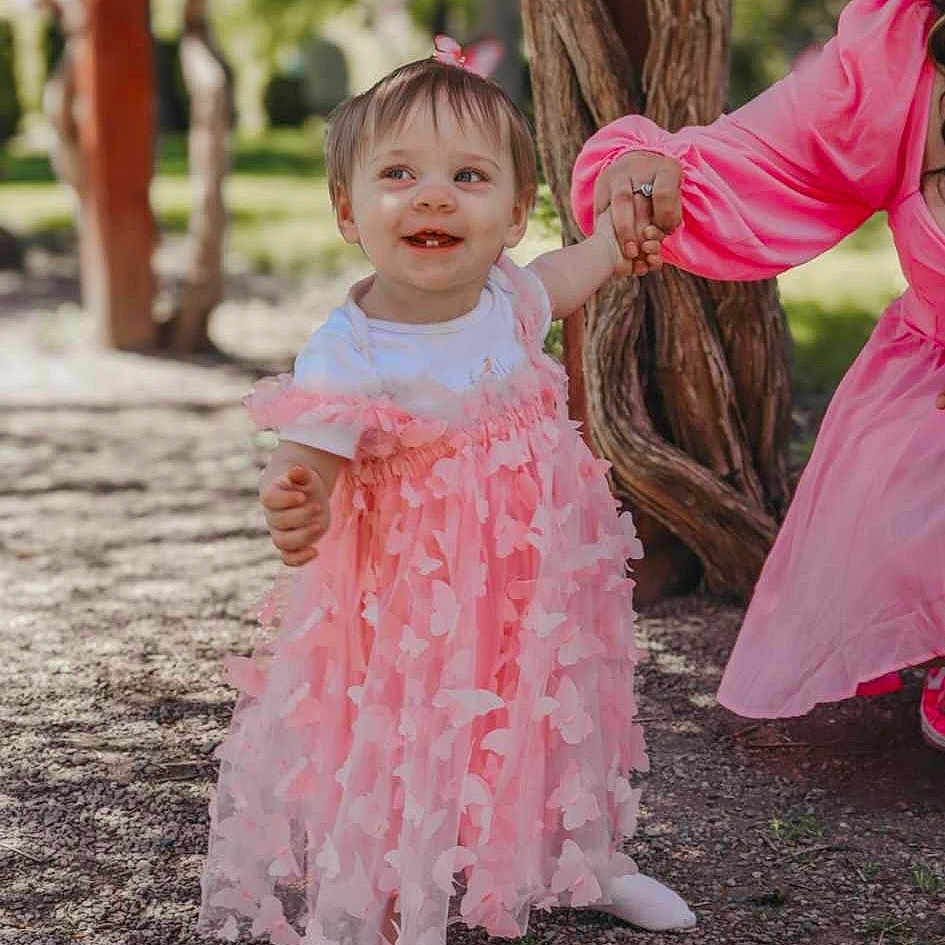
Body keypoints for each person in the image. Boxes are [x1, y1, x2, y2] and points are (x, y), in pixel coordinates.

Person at [198, 41, 696, 945]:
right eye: (398, 174)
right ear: (348, 211)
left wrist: (610, 248)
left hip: (531, 585)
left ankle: (586, 859)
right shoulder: (353, 349)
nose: (431, 195)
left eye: (467, 176)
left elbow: (562, 279)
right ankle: (384, 907)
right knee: (402, 751)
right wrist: (294, 498)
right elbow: (307, 453)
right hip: (411, 614)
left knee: (549, 713)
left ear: (512, 215)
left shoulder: (506, 297)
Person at [571, 0, 945, 748]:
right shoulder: (900, 53)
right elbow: (767, 157)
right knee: (909, 485)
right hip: (931, 387)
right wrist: (649, 171)